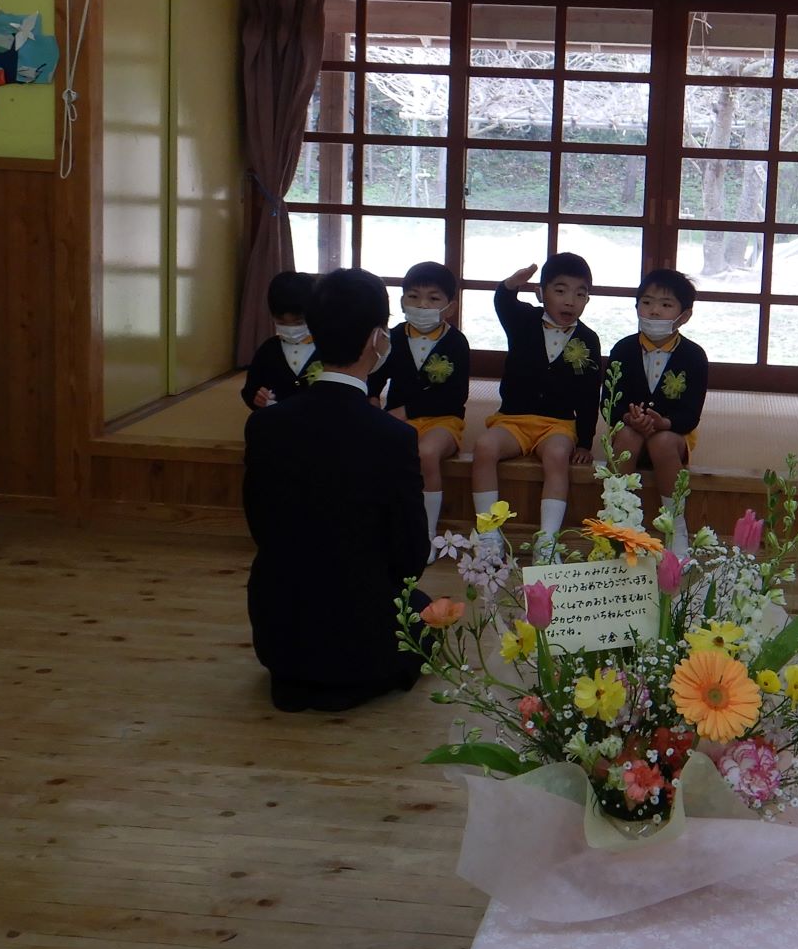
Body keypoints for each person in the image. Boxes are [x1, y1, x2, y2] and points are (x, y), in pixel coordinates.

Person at [242, 268, 430, 712]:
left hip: (281, 640)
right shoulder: (393, 437)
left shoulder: (266, 426)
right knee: (425, 610)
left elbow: (259, 525)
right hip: (361, 649)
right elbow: (410, 555)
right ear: (377, 340)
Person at [470, 253, 605, 559]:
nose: (570, 301)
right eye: (560, 290)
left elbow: (589, 394)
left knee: (557, 455)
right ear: (541, 293)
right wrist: (509, 285)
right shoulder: (523, 321)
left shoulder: (588, 339)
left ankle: (546, 541)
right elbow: (503, 303)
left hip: (557, 424)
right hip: (512, 420)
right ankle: (489, 533)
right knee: (484, 447)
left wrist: (585, 441)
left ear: (587, 299)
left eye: (580, 294)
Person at [373, 259, 472, 538]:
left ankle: (425, 533)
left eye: (433, 298)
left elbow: (455, 397)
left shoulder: (456, 342)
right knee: (376, 452)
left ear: (450, 307)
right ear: (402, 301)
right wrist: (372, 403)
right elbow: (373, 380)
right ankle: (386, 525)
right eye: (414, 297)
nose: (422, 305)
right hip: (396, 421)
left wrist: (405, 411)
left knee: (426, 452)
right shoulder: (392, 338)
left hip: (443, 422)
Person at [604, 267, 709, 532]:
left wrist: (663, 423)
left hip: (671, 438)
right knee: (627, 437)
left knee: (662, 441)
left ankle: (676, 525)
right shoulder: (622, 349)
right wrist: (629, 418)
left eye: (666, 305)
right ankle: (619, 522)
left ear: (685, 316)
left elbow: (690, 415)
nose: (654, 311)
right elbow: (609, 402)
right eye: (647, 302)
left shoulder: (694, 356)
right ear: (636, 306)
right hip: (630, 432)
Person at [240, 270, 317, 409]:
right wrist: (257, 398)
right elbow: (250, 390)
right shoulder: (268, 350)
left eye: (298, 322)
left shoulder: (326, 348)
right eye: (281, 322)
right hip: (276, 419)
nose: (290, 328)